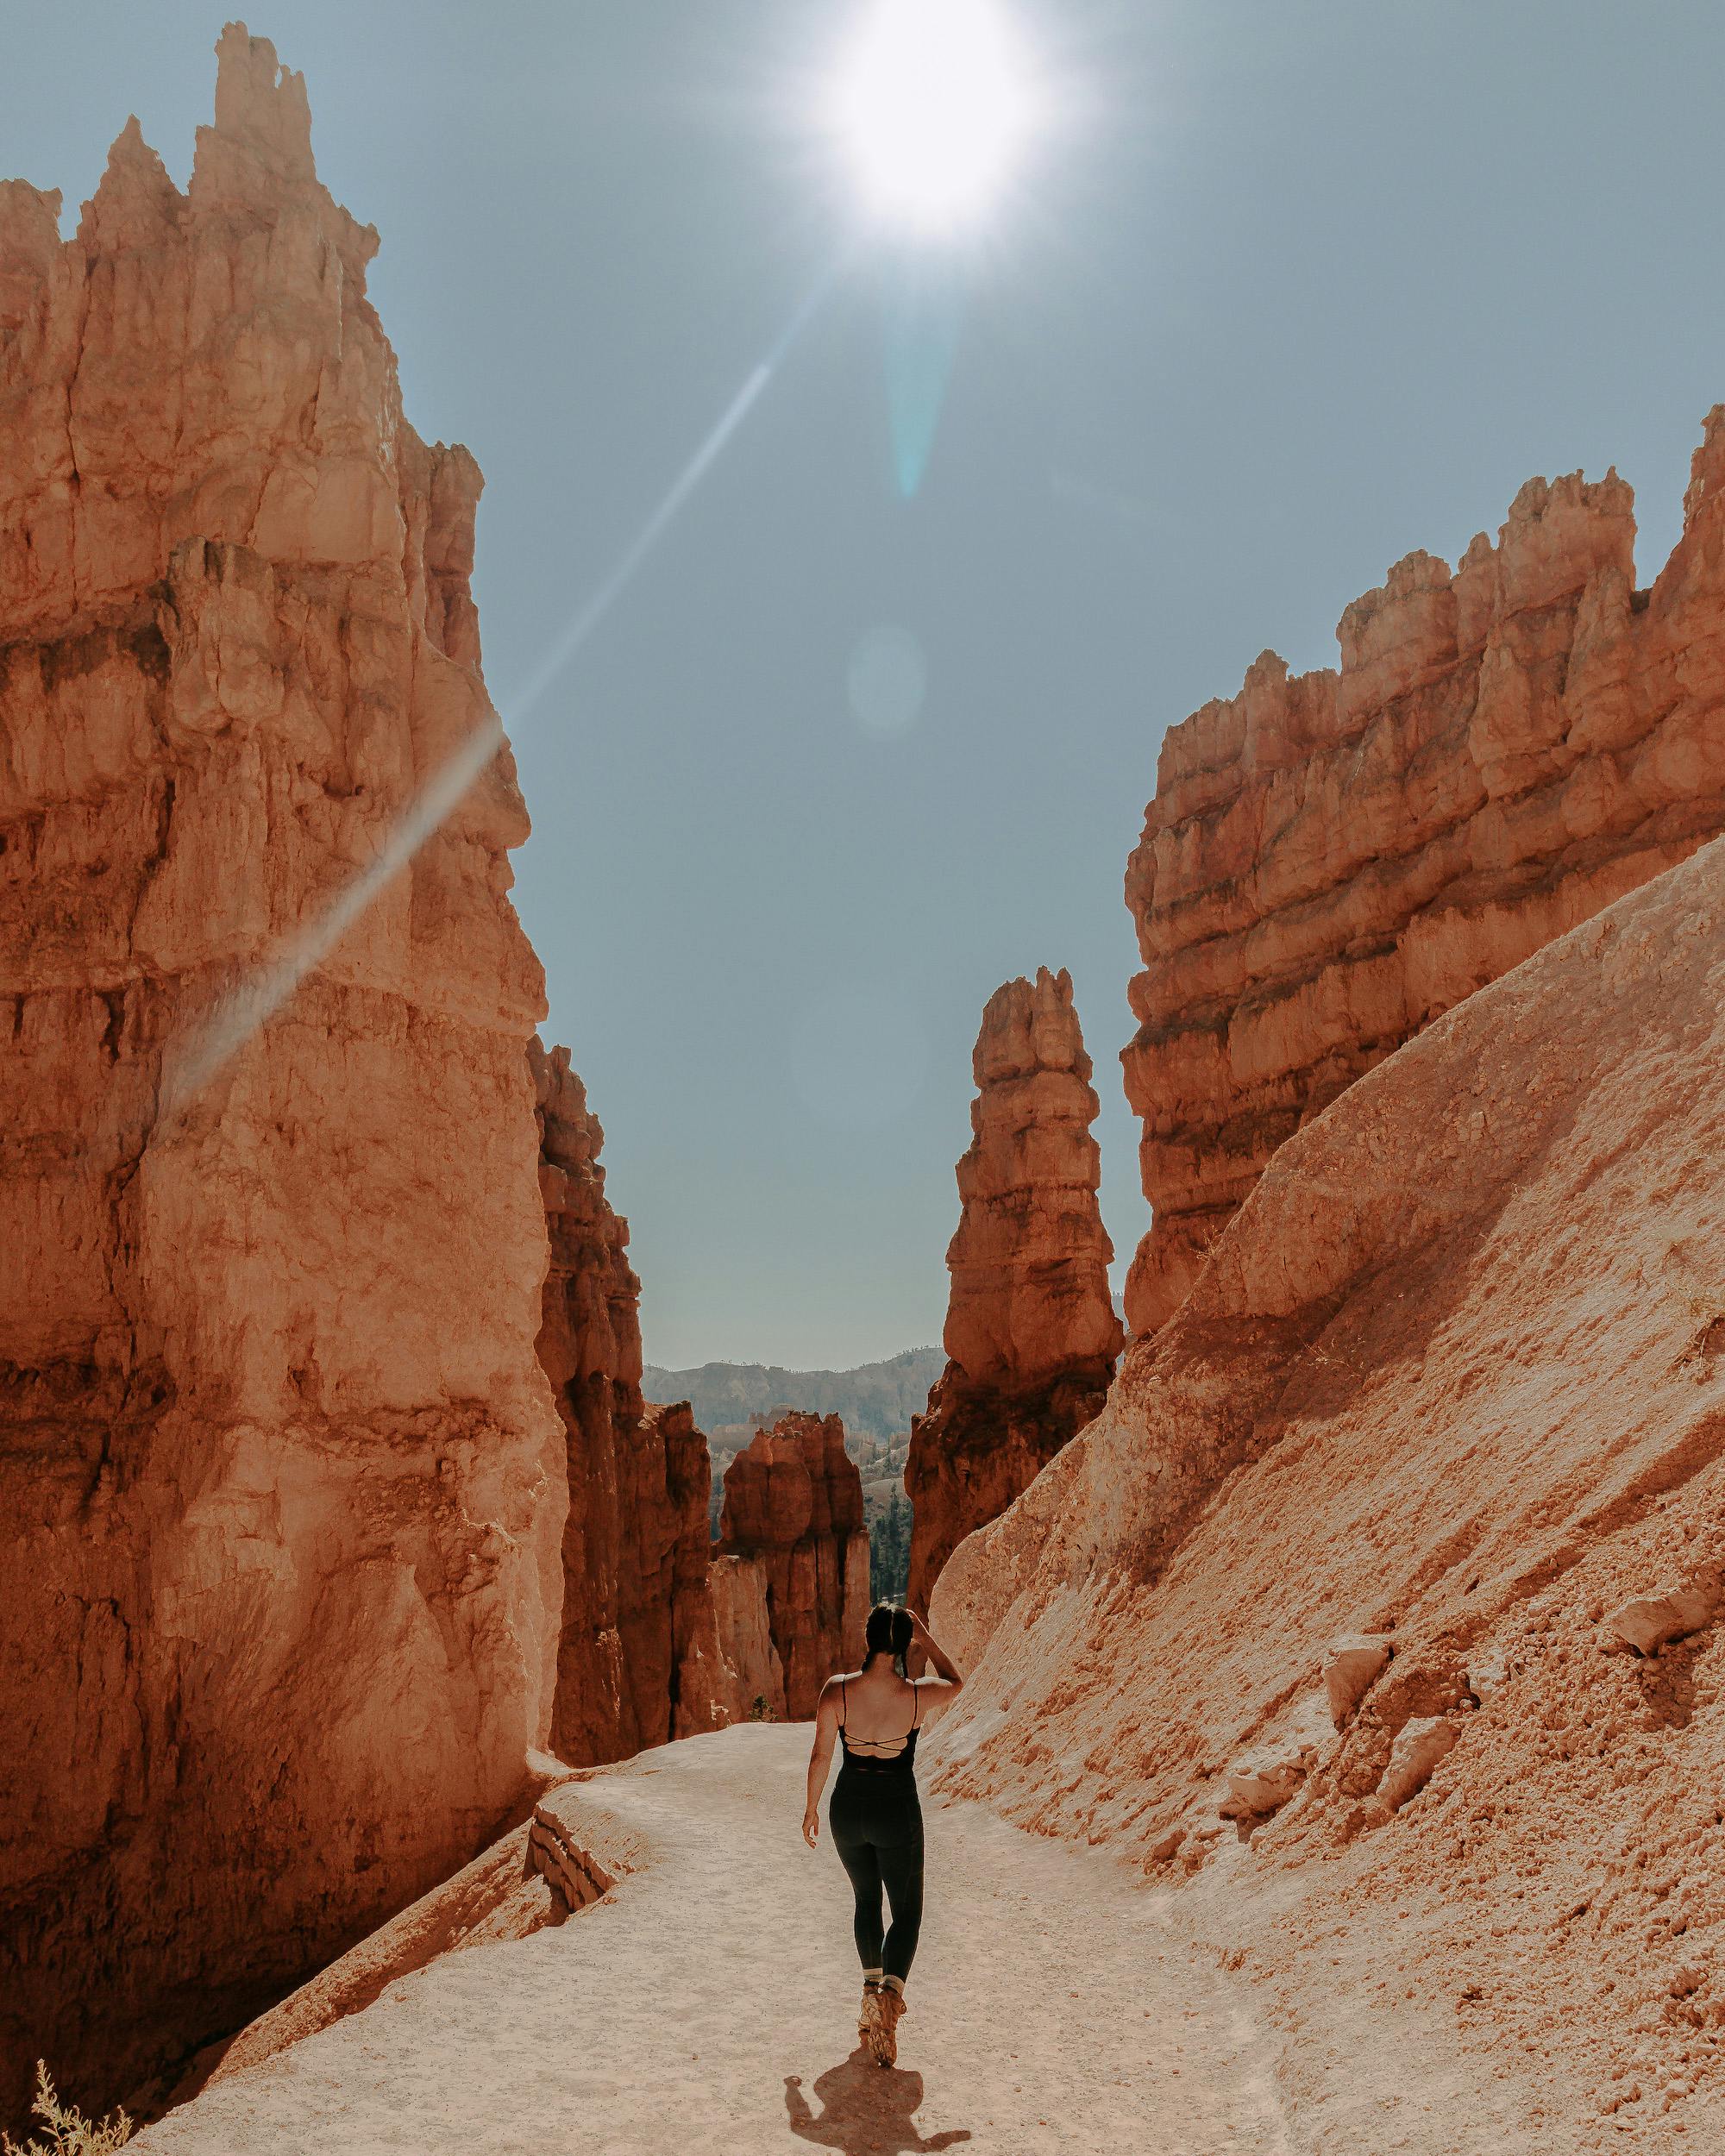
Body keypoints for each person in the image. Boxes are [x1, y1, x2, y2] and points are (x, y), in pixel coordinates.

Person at [802, 1601, 965, 2066]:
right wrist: (927, 1640)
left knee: (865, 1901)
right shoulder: (915, 1696)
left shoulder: (838, 1692)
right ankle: (888, 2007)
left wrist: (811, 1809)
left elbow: (819, 1757)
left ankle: (870, 1989)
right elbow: (956, 1683)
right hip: (895, 1809)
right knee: (908, 1912)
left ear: (867, 1639)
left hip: (847, 1809)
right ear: (901, 1644)